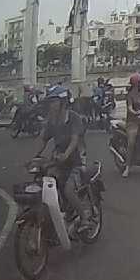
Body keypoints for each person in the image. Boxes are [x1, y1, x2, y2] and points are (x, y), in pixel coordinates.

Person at [34, 86, 89, 230]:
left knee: (68, 190)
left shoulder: (73, 118)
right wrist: (34, 157)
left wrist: (66, 155)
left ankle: (84, 219)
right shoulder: (52, 121)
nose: (51, 105)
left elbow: (75, 140)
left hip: (76, 160)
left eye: (54, 101)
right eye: (50, 102)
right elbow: (43, 140)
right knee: (46, 183)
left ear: (63, 102)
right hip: (58, 160)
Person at [122, 73, 140, 178]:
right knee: (131, 143)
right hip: (132, 122)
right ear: (136, 84)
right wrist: (135, 112)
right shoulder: (130, 95)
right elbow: (129, 108)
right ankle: (127, 167)